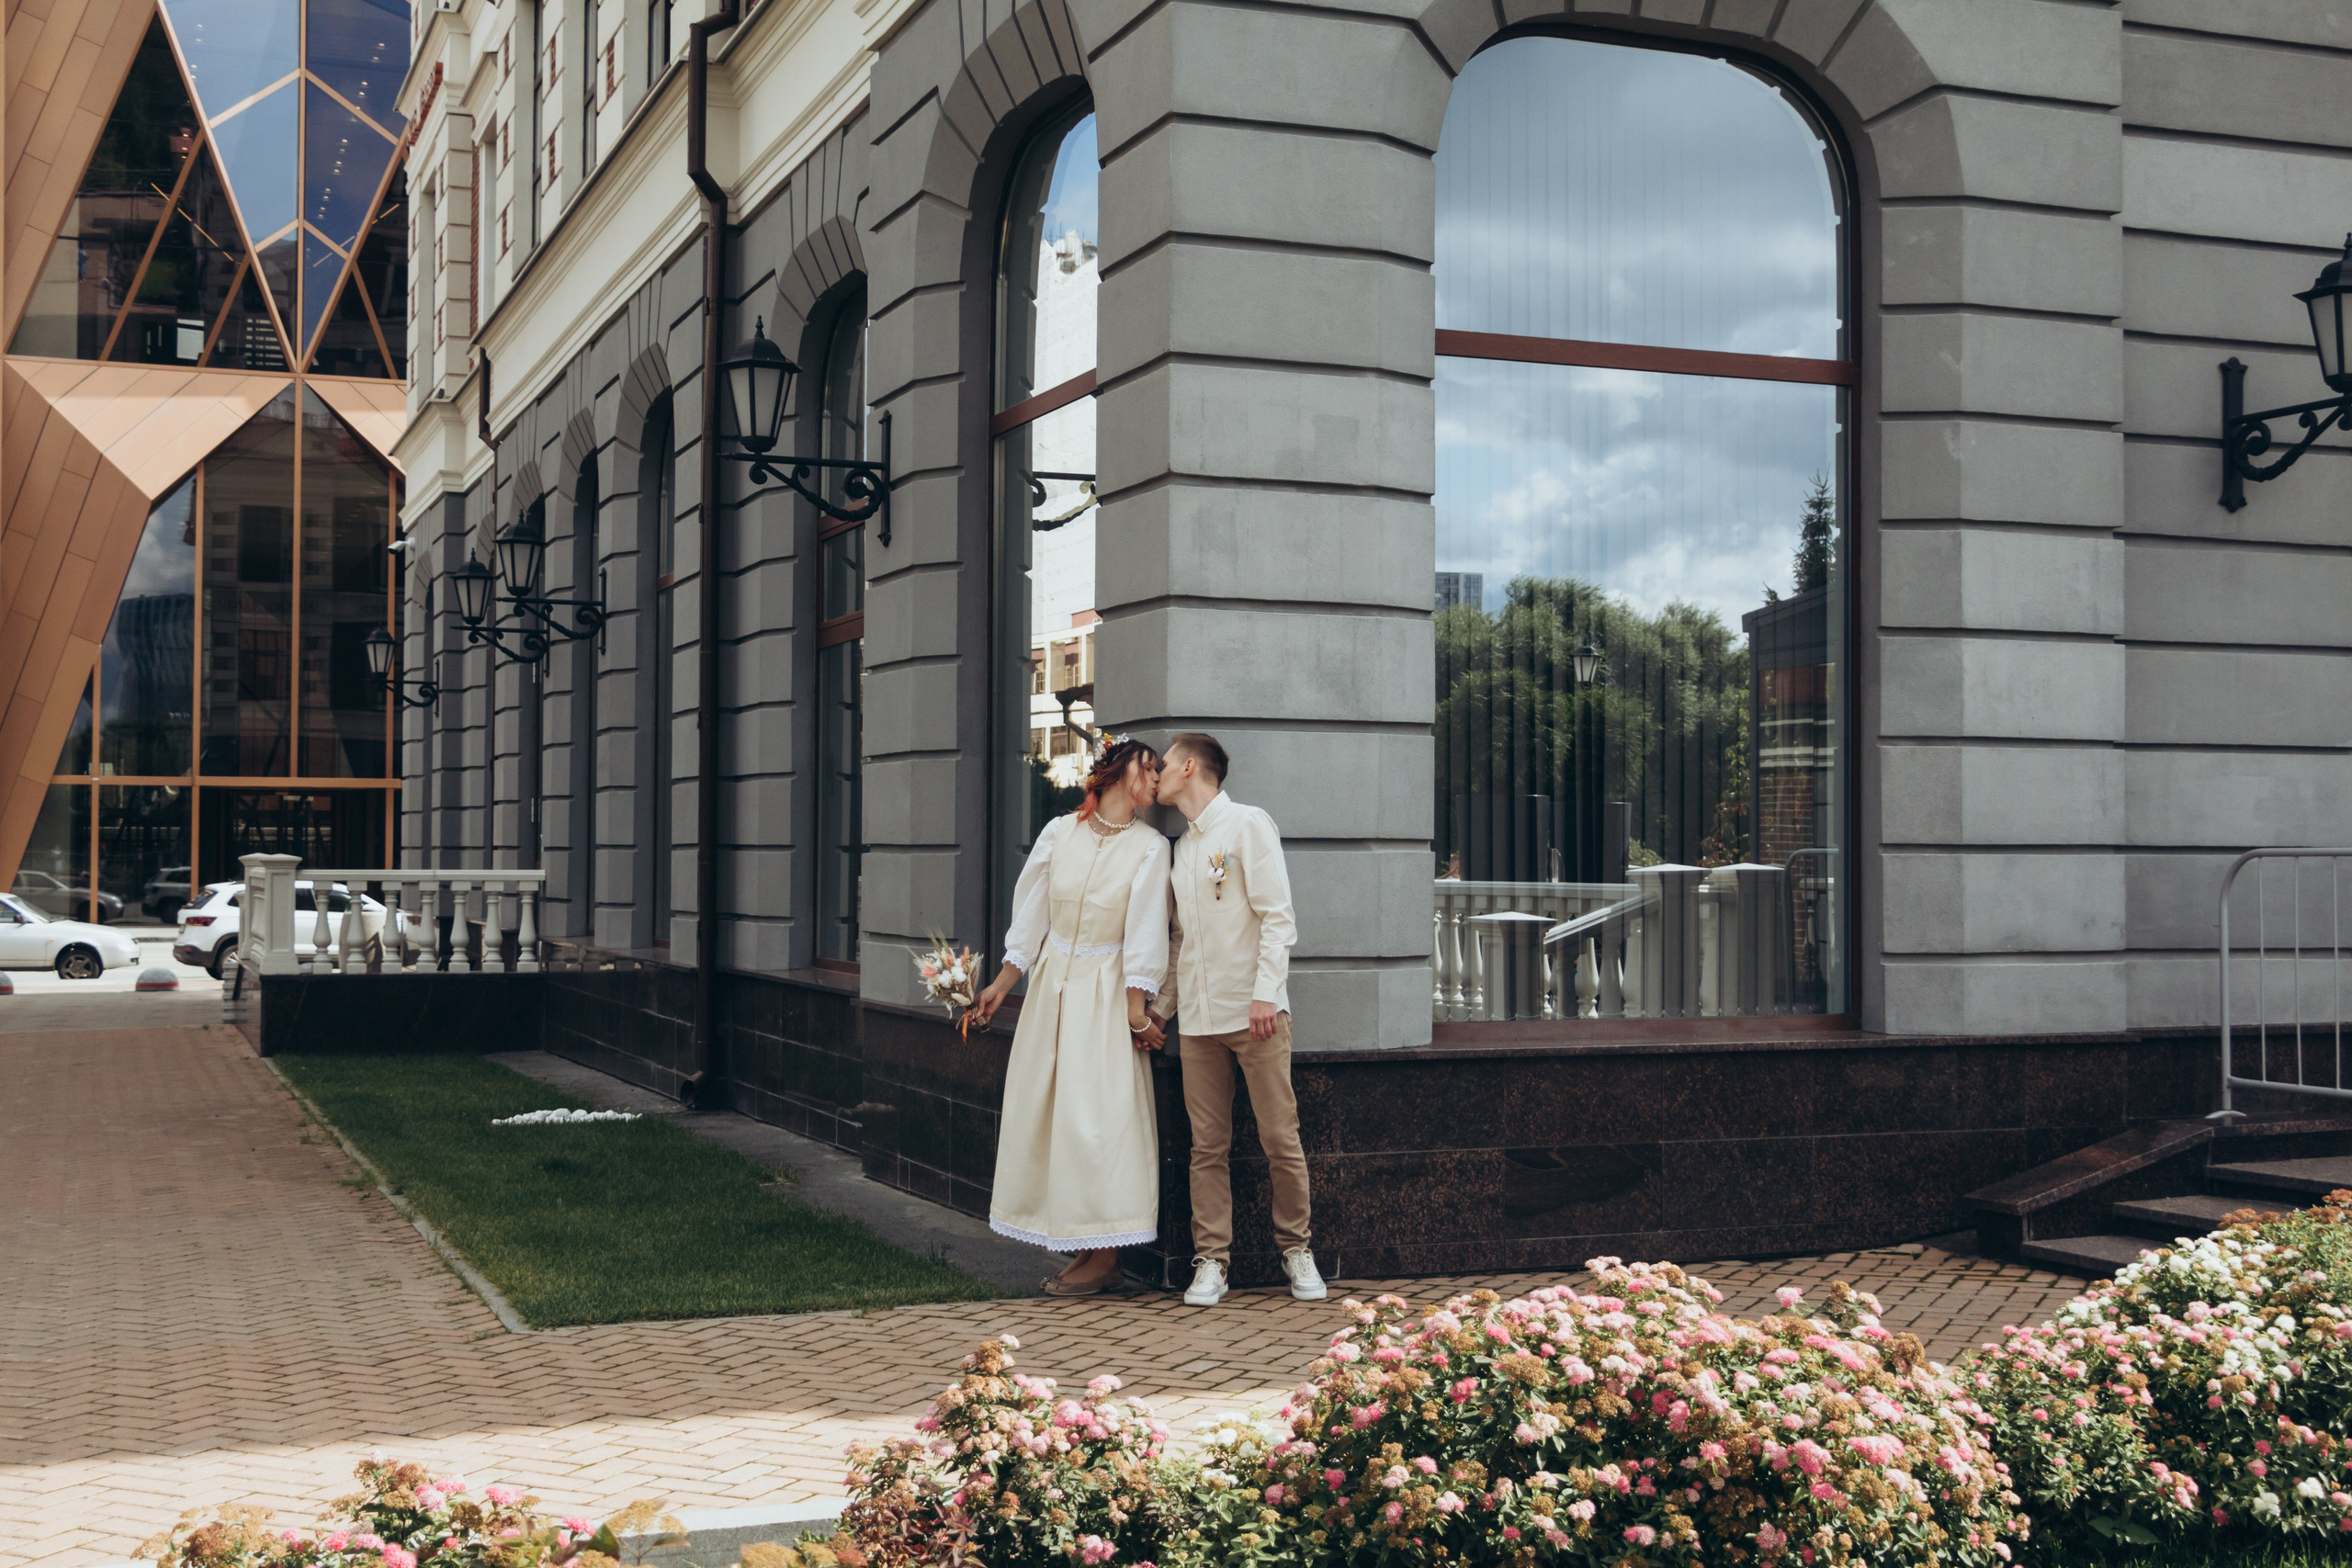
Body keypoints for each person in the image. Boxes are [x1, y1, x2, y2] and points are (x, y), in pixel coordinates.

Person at [971, 736, 1170, 1296]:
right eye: (1147, 767)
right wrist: (1001, 986)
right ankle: (1082, 1242)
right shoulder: (1060, 832)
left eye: (1159, 771)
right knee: (1053, 1114)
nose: (1155, 779)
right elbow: (1034, 915)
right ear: (1116, 772)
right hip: (1052, 990)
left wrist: (1136, 1011)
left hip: (1105, 997)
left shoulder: (1152, 847)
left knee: (1097, 1120)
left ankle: (1105, 1252)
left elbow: (1146, 934)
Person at [1144, 731, 1322, 1306]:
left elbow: (1279, 918)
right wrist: (1160, 1013)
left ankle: (1298, 1251)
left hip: (1257, 1016)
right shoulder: (1183, 848)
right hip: (1197, 1021)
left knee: (1280, 1139)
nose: (1157, 775)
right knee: (1206, 1147)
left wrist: (1266, 994)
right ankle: (1211, 1262)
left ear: (1190, 766)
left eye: (1164, 765)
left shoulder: (1248, 825)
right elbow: (1179, 943)